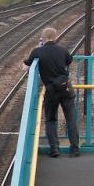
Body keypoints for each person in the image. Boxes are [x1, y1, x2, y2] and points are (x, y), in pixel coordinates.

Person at [23, 27, 80, 158]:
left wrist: (38, 48)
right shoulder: (62, 50)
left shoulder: (37, 52)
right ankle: (75, 149)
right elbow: (69, 60)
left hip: (51, 90)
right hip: (65, 88)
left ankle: (54, 149)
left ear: (42, 38)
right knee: (71, 119)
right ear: (55, 37)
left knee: (51, 119)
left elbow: (26, 67)